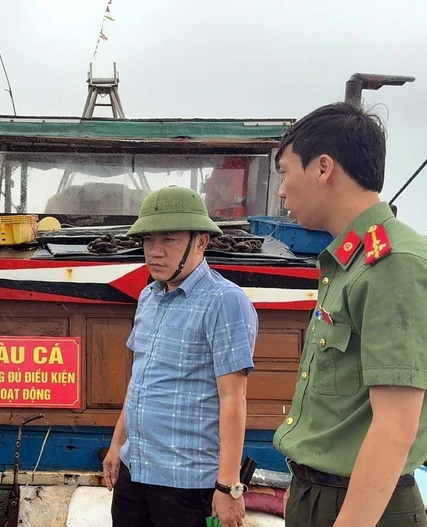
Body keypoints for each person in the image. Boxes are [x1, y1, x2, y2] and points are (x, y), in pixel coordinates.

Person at [273, 102, 427, 526]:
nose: (281, 191)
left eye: (284, 172)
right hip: (320, 496)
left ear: (324, 168)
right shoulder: (349, 261)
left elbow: (395, 427)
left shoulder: (393, 264)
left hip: (362, 506)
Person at [102, 186, 259, 527]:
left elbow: (234, 398)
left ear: (201, 242)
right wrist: (117, 446)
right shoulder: (149, 297)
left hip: (187, 484)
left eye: (169, 239)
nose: (154, 252)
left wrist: (228, 487)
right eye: (148, 240)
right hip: (134, 471)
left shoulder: (225, 301)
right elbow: (140, 380)